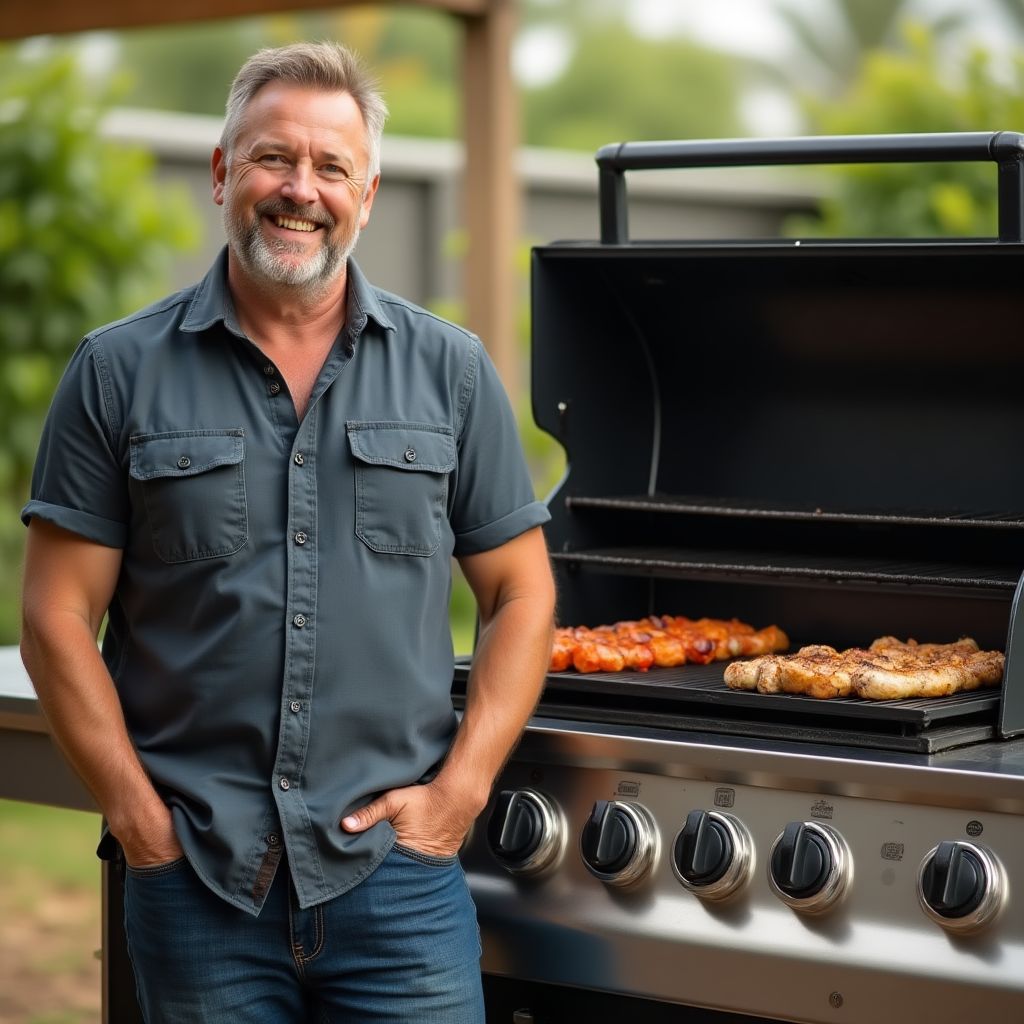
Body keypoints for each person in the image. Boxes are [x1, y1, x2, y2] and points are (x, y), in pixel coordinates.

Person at [19, 41, 555, 1024]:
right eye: (272, 158)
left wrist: (460, 794)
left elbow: (521, 591)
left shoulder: (451, 371)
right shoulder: (116, 372)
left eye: (331, 166)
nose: (299, 189)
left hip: (396, 882)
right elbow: (56, 615)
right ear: (223, 171)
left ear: (369, 191)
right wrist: (143, 826)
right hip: (198, 881)